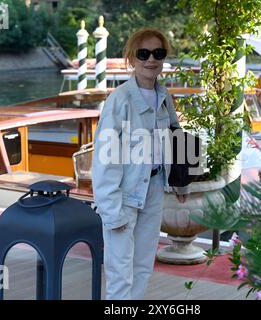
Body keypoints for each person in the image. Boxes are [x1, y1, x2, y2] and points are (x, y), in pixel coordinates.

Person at [91, 28, 189, 300]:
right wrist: (111, 210)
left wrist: (180, 182)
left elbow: (174, 135)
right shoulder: (119, 100)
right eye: (143, 54)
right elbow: (105, 158)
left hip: (154, 188)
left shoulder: (163, 95)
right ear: (131, 58)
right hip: (124, 194)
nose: (151, 60)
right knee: (120, 271)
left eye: (158, 53)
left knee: (143, 266)